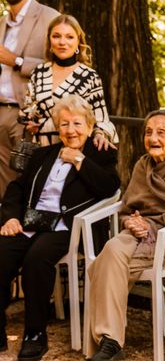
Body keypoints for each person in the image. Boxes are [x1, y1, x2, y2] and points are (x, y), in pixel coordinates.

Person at [0, 95, 120, 360]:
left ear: (90, 127)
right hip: (31, 222)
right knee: (2, 251)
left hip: (68, 227)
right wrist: (10, 217)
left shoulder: (100, 154)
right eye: (64, 124)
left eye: (77, 124)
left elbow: (110, 186)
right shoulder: (44, 154)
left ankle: (35, 335)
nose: (70, 130)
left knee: (36, 259)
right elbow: (16, 188)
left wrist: (79, 160)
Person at [87, 109, 165, 361]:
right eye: (149, 132)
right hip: (139, 235)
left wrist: (155, 229)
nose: (153, 137)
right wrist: (132, 221)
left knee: (102, 264)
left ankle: (108, 343)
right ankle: (110, 342)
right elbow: (129, 207)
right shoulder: (143, 164)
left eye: (161, 133)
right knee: (108, 259)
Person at [0, 0, 59, 198]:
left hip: (30, 117)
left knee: (32, 182)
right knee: (4, 185)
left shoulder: (50, 18)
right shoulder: (2, 22)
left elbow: (59, 66)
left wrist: (17, 61)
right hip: (1, 113)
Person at [22, 14, 118, 149]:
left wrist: (99, 134)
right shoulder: (39, 72)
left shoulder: (89, 77)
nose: (62, 42)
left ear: (78, 41)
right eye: (56, 36)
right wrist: (30, 123)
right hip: (41, 148)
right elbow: (27, 111)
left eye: (69, 37)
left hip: (74, 148)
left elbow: (101, 120)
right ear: (50, 40)